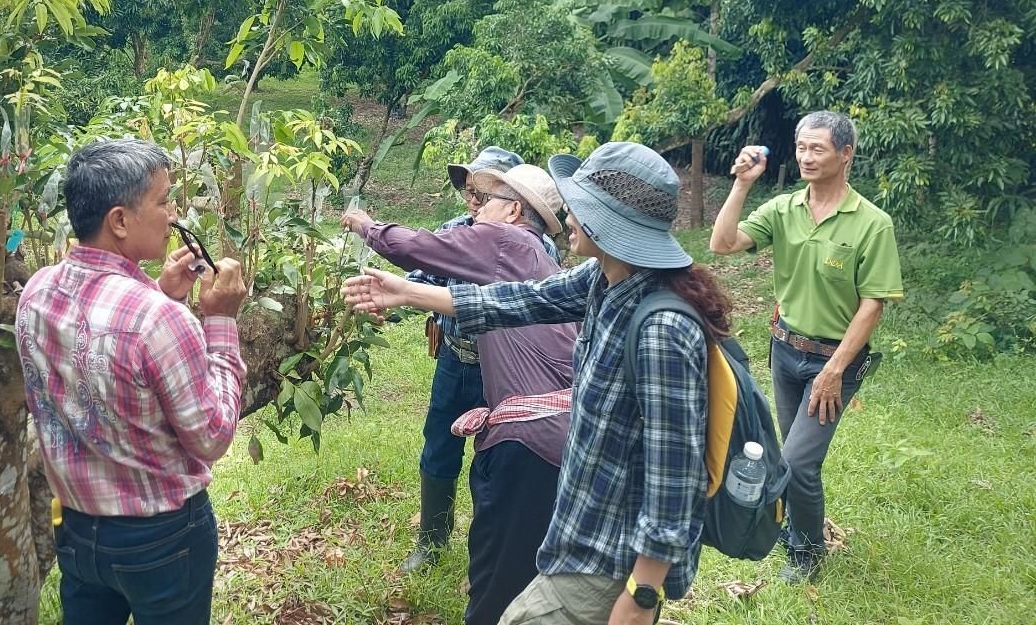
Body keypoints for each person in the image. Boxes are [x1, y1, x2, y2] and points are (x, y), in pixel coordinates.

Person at [345, 143, 731, 625]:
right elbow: (516, 301)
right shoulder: (602, 278)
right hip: (575, 528)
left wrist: (643, 593)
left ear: (611, 223)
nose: (565, 214)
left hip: (611, 554)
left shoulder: (661, 329)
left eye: (580, 206)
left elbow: (676, 475)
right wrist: (408, 292)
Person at [16, 138, 247, 625]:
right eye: (163, 201)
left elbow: (97, 347)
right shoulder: (159, 321)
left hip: (77, 533)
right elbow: (210, 437)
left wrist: (160, 289)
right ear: (119, 220)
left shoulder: (36, 291)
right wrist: (221, 322)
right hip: (161, 542)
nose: (173, 213)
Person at [342, 164, 575, 624]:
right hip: (564, 431)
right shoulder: (532, 255)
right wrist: (406, 295)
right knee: (533, 566)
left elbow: (417, 248)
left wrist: (366, 225)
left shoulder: (504, 241)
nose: (476, 208)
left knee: (496, 588)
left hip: (530, 439)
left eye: (487, 199)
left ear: (512, 210)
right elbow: (476, 303)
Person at [710, 111, 903, 583]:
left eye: (817, 148)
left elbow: (872, 305)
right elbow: (722, 243)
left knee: (797, 464)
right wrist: (741, 184)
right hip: (785, 349)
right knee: (786, 457)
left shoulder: (872, 224)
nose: (806, 157)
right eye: (801, 147)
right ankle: (798, 529)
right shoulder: (784, 208)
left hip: (834, 360)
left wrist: (835, 370)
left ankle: (808, 552)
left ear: (845, 153)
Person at [394, 145, 524, 574]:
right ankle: (431, 543)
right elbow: (419, 275)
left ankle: (490, 551)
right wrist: (388, 296)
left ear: (511, 200)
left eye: (483, 192)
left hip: (504, 372)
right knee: (439, 447)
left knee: (499, 460)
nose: (472, 199)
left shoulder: (527, 243)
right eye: (469, 190)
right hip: (454, 360)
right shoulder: (454, 229)